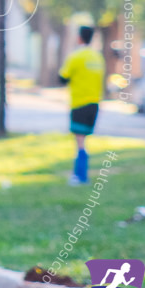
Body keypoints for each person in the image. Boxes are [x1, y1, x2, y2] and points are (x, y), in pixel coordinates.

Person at [59, 25, 105, 185]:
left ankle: (80, 175)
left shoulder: (76, 57)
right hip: (94, 104)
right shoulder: (98, 57)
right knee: (84, 139)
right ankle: (81, 174)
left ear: (79, 37)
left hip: (79, 103)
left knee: (79, 142)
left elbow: (62, 78)